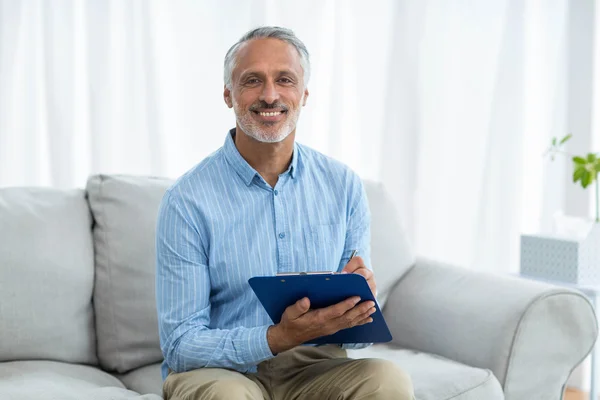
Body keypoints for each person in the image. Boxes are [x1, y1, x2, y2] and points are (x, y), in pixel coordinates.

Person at [156, 26, 415, 400]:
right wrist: (276, 338)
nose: (270, 95)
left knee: (389, 381)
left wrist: (358, 314)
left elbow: (358, 343)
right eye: (252, 81)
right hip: (222, 373)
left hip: (318, 368)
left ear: (304, 94)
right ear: (228, 95)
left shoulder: (343, 186)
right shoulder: (187, 200)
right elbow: (181, 345)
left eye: (284, 80)